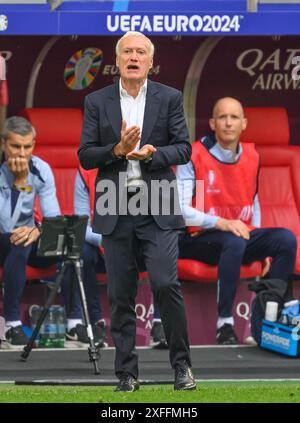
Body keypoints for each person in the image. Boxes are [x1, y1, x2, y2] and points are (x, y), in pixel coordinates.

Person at [78, 31, 195, 391]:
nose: (133, 56)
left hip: (157, 201)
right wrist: (116, 150)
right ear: (117, 60)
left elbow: (184, 149)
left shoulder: (170, 97)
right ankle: (127, 374)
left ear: (149, 61)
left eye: (140, 52)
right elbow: (85, 154)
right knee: (121, 293)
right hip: (115, 203)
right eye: (127, 51)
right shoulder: (97, 101)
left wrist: (152, 154)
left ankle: (182, 367)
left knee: (165, 283)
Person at [176, 97, 297, 345]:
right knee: (234, 240)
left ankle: (267, 319)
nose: (228, 123)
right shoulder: (196, 155)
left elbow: (253, 202)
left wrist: (262, 249)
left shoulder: (252, 156)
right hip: (198, 238)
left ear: (244, 123)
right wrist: (222, 223)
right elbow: (183, 211)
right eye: (222, 117)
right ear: (212, 123)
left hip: (237, 235)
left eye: (234, 117)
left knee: (284, 239)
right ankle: (225, 324)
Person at [0, 116, 60, 345]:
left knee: (73, 248)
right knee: (18, 240)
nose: (22, 154)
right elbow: (6, 225)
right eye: (16, 146)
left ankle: (76, 323)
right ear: (4, 143)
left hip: (28, 237)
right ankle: (13, 323)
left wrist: (39, 231)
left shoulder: (41, 168)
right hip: (3, 238)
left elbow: (52, 218)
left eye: (27, 147)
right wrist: (21, 183)